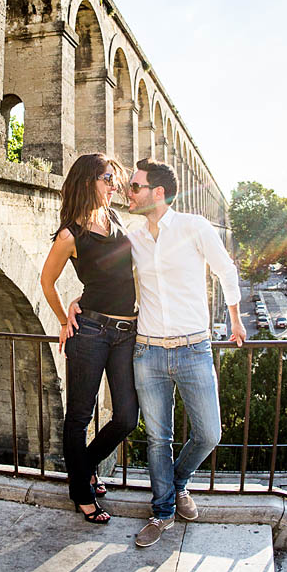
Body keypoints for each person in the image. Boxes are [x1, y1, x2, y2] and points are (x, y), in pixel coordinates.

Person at [70, 158, 243, 547]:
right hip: (147, 351)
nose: (126, 192)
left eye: (134, 187)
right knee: (157, 439)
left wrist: (235, 317)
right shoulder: (132, 238)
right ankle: (163, 510)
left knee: (209, 433)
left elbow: (225, 270)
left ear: (157, 193)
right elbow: (107, 279)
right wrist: (75, 302)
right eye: (125, 186)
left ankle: (179, 483)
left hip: (193, 347)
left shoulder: (193, 227)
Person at [40, 153, 139, 524]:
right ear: (88, 182)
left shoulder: (113, 218)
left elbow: (122, 273)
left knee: (127, 417)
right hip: (92, 332)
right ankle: (81, 491)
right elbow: (46, 282)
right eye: (108, 179)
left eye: (115, 180)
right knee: (79, 417)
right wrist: (65, 318)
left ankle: (84, 468)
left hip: (126, 333)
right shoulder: (70, 234)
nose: (115, 186)